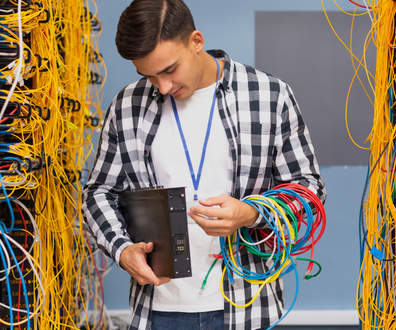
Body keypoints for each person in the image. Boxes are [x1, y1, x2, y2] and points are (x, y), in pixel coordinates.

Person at [82, 0, 326, 329]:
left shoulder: (270, 95)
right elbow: (99, 191)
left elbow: (309, 190)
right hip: (158, 310)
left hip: (247, 308)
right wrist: (122, 249)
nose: (163, 87)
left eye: (169, 70)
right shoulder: (127, 105)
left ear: (196, 41)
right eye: (149, 76)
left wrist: (251, 214)